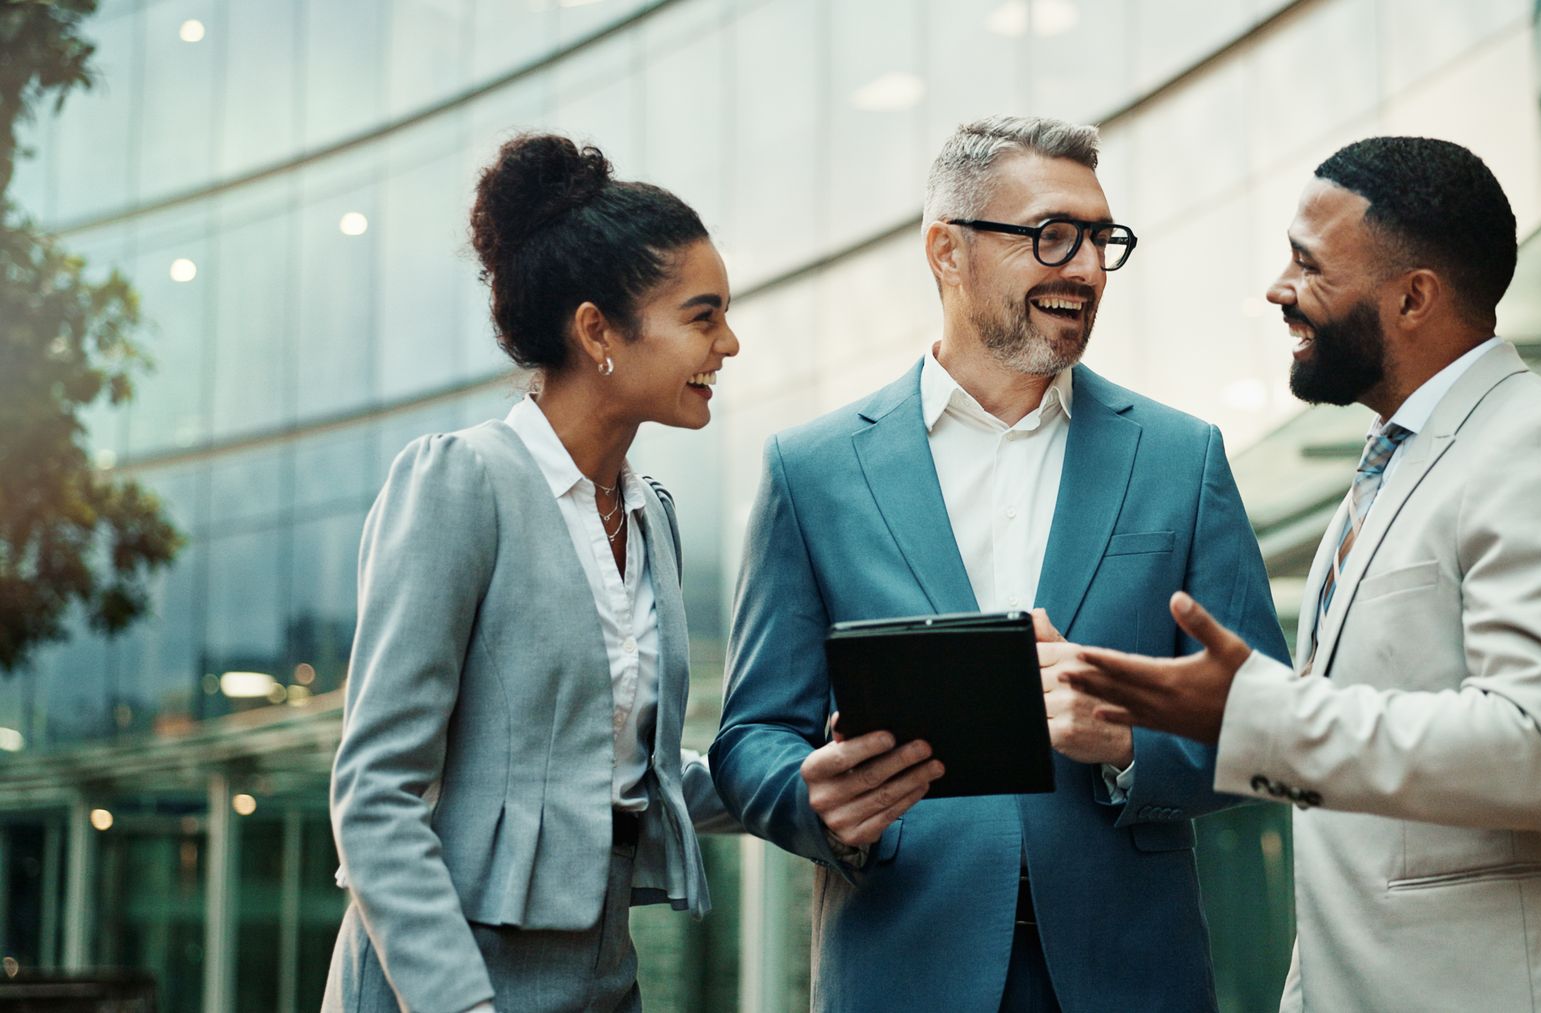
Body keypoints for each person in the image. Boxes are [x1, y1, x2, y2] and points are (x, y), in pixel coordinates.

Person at [1064, 136, 1541, 1011]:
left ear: (1413, 296)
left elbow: (1537, 753)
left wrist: (1250, 712)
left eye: (1309, 265)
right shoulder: (1389, 467)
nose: (1279, 290)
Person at [709, 115, 1287, 1013]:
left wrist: (1132, 743)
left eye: (1103, 240)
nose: (1089, 269)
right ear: (947, 251)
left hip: (1132, 973)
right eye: (1054, 236)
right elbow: (750, 735)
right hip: (904, 964)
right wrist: (814, 798)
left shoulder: (1183, 456)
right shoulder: (812, 470)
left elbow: (1271, 718)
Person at [323, 134, 740, 1013]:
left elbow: (628, 768)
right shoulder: (460, 483)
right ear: (597, 331)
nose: (730, 344)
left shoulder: (651, 512)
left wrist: (797, 777)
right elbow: (375, 793)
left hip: (602, 977)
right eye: (704, 316)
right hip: (439, 983)